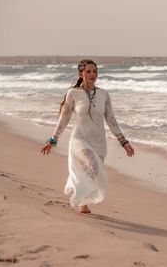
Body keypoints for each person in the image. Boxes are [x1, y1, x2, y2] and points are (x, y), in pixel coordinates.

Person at [41, 59, 134, 214]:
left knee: (92, 173)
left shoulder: (104, 94)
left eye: (95, 71)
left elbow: (111, 119)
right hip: (79, 139)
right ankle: (81, 202)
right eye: (88, 71)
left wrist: (123, 141)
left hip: (99, 142)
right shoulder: (73, 93)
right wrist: (53, 139)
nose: (92, 74)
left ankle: (79, 192)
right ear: (81, 74)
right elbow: (64, 118)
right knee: (91, 164)